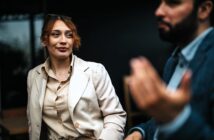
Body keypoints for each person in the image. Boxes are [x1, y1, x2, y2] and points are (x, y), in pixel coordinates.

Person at [26, 14, 126, 140]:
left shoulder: (95, 71)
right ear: (45, 40)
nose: (63, 40)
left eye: (69, 35)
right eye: (56, 34)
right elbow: (33, 123)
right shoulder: (33, 76)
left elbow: (115, 115)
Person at [125, 0, 214, 140]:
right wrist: (140, 132)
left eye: (173, 3)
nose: (158, 11)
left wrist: (175, 119)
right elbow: (163, 116)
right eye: (160, 2)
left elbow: (171, 117)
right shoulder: (173, 62)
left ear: (203, 9)